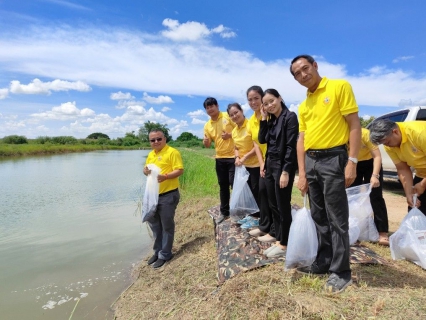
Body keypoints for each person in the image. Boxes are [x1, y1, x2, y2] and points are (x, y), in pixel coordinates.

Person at [291, 54, 361, 294]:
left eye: (305, 68)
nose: (303, 75)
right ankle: (323, 261)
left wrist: (352, 160)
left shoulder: (339, 87)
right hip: (311, 161)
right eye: (297, 73)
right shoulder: (303, 105)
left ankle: (341, 272)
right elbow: (302, 139)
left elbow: (354, 124)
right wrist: (301, 172)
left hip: (334, 158)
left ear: (315, 66)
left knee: (336, 218)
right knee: (319, 215)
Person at [258, 88, 299, 258]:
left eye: (272, 101)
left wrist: (286, 171)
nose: (270, 105)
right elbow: (262, 139)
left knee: (282, 205)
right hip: (270, 165)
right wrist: (263, 119)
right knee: (273, 203)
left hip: (282, 166)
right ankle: (278, 236)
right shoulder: (271, 121)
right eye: (266, 104)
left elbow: (290, 146)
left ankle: (284, 243)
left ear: (280, 98)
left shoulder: (290, 117)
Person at [143, 129, 184, 269]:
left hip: (168, 195)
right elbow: (146, 170)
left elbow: (179, 170)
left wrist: (166, 176)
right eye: (152, 140)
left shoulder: (172, 152)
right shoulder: (150, 154)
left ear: (165, 139)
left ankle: (165, 254)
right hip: (153, 195)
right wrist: (145, 171)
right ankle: (157, 251)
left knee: (167, 226)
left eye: (159, 139)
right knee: (155, 225)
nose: (156, 142)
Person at [369, 119, 426, 215]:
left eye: (387, 142)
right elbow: (402, 169)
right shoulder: (390, 145)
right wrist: (409, 194)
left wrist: (423, 185)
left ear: (395, 131)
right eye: (384, 144)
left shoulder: (419, 133)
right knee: (416, 210)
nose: (387, 146)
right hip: (422, 174)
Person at [349, 127, 389, 245]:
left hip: (371, 163)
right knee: (352, 196)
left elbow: (377, 156)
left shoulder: (365, 134)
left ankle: (382, 232)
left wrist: (375, 176)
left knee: (375, 196)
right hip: (353, 164)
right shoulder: (339, 135)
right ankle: (353, 229)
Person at [245, 86, 275, 239]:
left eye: (256, 98)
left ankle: (274, 230)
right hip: (264, 161)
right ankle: (264, 225)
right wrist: (262, 163)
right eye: (250, 99)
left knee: (272, 194)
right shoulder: (250, 120)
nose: (253, 102)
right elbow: (256, 143)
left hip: (275, 159)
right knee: (262, 192)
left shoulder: (270, 114)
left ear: (262, 97)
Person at [227, 103, 263, 228]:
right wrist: (237, 157)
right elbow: (236, 147)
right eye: (231, 115)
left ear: (242, 111)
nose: (234, 116)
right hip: (243, 166)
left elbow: (257, 145)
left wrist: (245, 156)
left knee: (257, 191)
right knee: (248, 193)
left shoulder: (250, 125)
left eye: (236, 112)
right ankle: (252, 216)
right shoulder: (234, 131)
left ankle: (259, 218)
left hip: (256, 164)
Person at [203, 97, 236, 223]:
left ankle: (238, 210)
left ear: (217, 106)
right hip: (220, 158)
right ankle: (224, 212)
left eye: (212, 106)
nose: (210, 109)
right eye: (207, 107)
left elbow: (240, 128)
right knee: (223, 186)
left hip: (233, 156)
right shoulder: (207, 125)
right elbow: (207, 144)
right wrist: (206, 142)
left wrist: (229, 135)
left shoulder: (228, 116)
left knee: (234, 184)